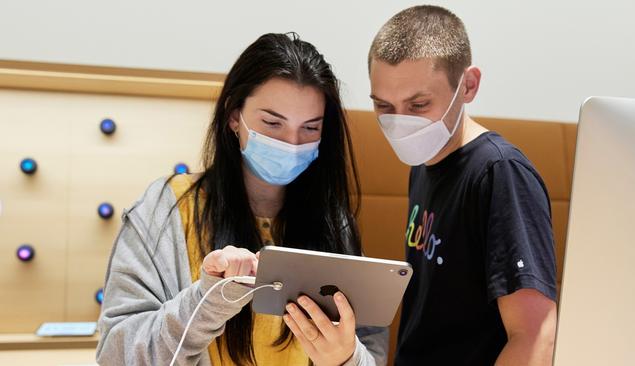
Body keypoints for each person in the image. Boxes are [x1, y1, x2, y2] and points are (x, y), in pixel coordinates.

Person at [96, 32, 388, 366]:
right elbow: (117, 356)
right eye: (272, 123)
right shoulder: (166, 210)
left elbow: (372, 350)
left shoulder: (333, 223)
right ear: (235, 117)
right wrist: (206, 302)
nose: (291, 143)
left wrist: (345, 358)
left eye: (310, 128)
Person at [367, 6, 557, 366]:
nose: (400, 123)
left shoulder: (500, 173)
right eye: (383, 106)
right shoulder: (424, 164)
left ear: (468, 86)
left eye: (419, 104)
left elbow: (535, 336)